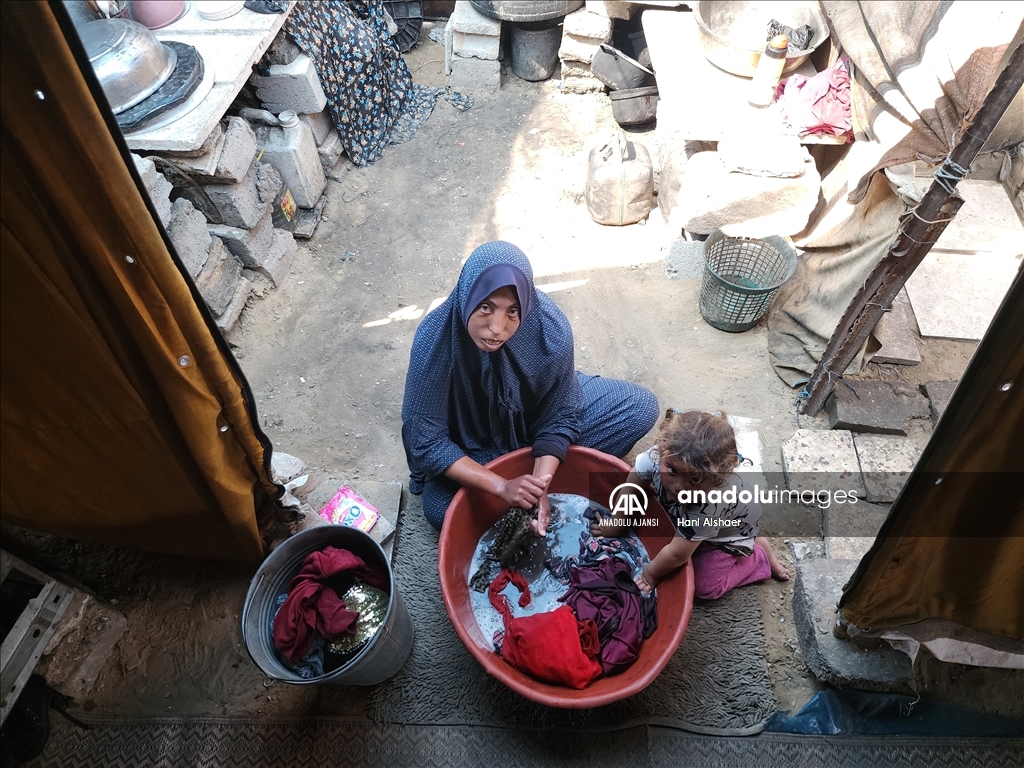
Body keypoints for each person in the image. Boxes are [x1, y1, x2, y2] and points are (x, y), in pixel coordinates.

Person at [402, 241, 659, 533]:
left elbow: (561, 411)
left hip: (534, 421)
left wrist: (540, 486)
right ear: (467, 296)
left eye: (512, 312)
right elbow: (427, 441)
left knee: (639, 408)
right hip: (473, 446)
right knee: (440, 510)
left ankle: (527, 474)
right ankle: (521, 476)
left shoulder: (551, 330)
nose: (497, 328)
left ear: (526, 304)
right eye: (486, 307)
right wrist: (500, 485)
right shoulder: (434, 341)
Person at [593, 409, 789, 599]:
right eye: (672, 471)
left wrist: (649, 574)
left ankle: (758, 557)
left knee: (705, 587)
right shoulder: (661, 454)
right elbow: (633, 484)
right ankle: (754, 537)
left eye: (694, 479)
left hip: (729, 533)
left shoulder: (709, 505)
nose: (679, 487)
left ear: (716, 480)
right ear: (662, 451)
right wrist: (617, 522)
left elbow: (677, 555)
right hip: (714, 520)